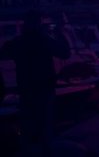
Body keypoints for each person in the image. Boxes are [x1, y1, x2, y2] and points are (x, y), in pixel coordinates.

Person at [0, 10, 70, 154]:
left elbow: (4, 53)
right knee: (45, 126)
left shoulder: (18, 42)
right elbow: (65, 53)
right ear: (38, 24)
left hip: (26, 89)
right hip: (44, 88)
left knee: (28, 127)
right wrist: (59, 33)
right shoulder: (44, 41)